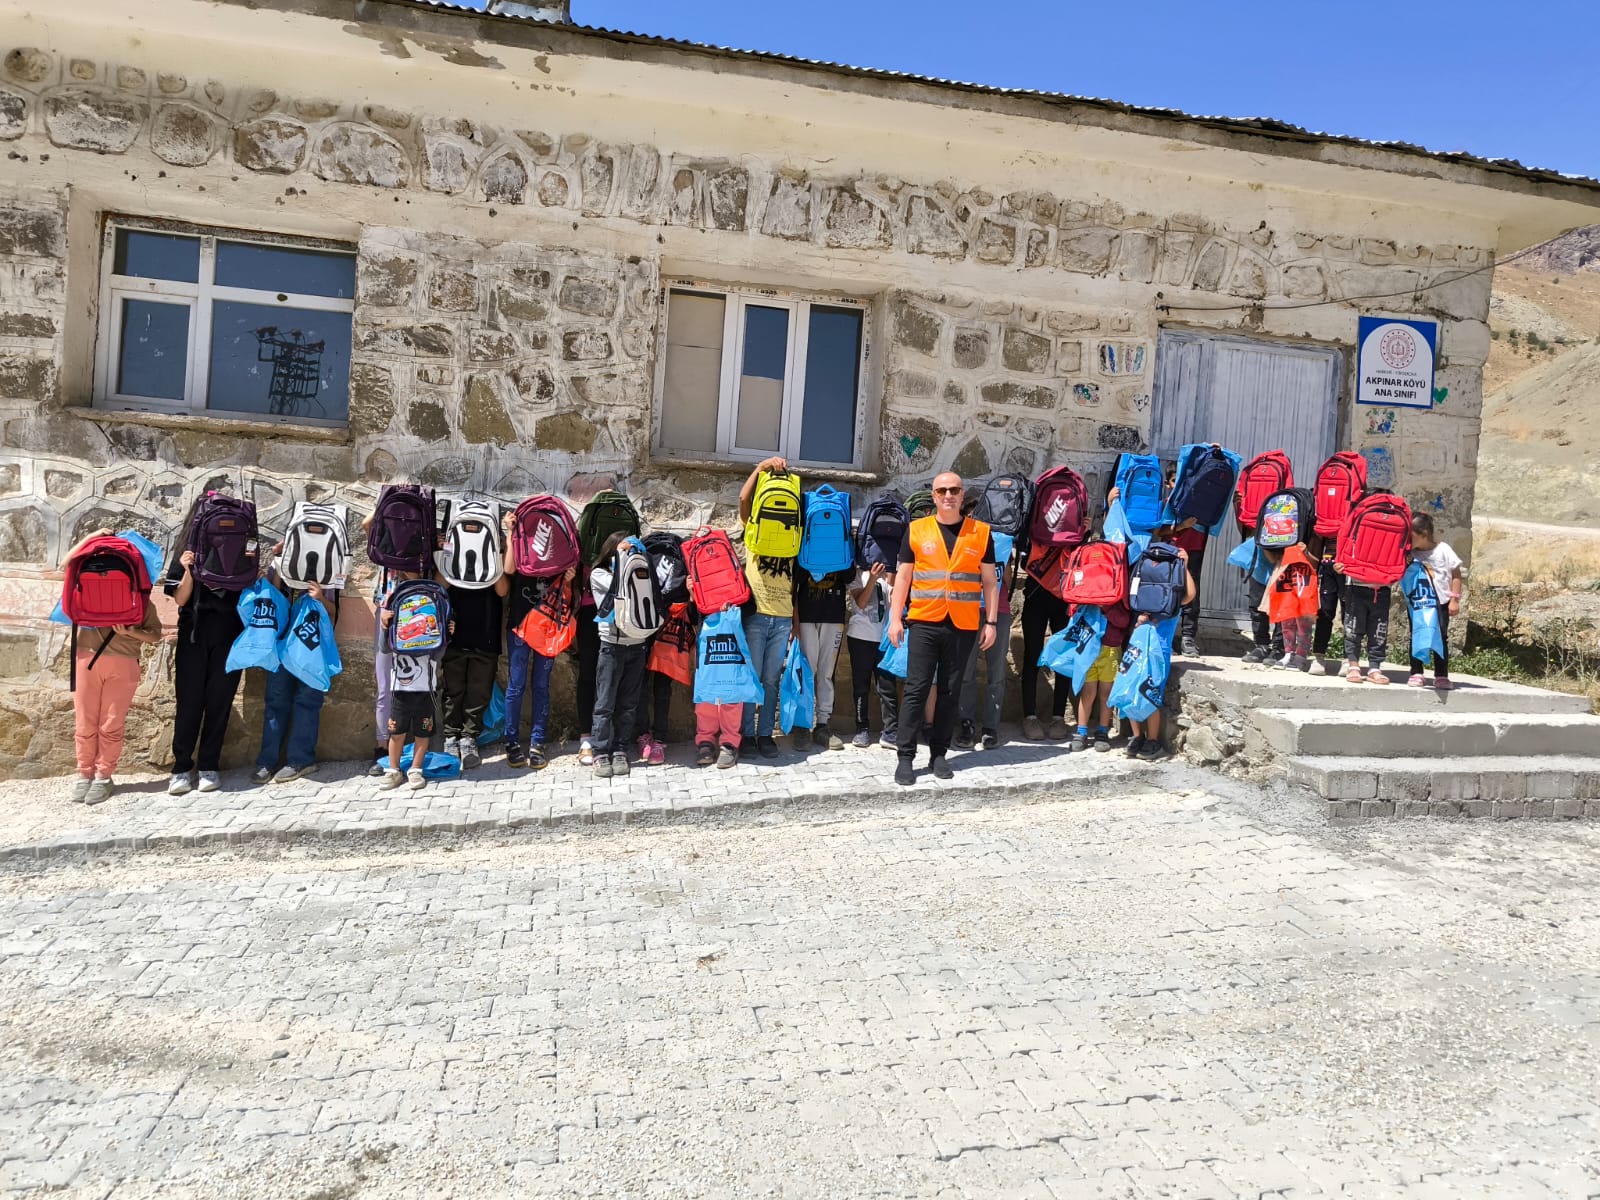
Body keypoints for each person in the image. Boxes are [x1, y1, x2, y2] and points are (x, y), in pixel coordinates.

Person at [885, 471, 1000, 785]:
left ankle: (939, 754)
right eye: (942, 491)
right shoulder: (916, 529)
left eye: (954, 490)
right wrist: (895, 619)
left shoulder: (981, 533)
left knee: (950, 692)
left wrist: (991, 622)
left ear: (962, 495)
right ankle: (905, 756)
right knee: (916, 689)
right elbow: (903, 577)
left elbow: (990, 582)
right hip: (924, 620)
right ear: (934, 496)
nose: (948, 495)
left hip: (962, 624)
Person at [66, 529, 163, 805]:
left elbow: (155, 635)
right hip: (88, 660)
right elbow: (68, 564)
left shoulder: (140, 600)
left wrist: (131, 632)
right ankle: (85, 774)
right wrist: (94, 536)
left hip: (119, 662)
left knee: (110, 723)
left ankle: (103, 776)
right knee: (85, 722)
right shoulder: (83, 589)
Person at [164, 509, 248, 796]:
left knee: (219, 702)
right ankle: (181, 768)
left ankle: (209, 766)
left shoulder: (239, 554)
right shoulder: (188, 551)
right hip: (194, 634)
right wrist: (188, 570)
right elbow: (181, 599)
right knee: (189, 702)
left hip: (229, 634)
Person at [252, 545, 339, 785]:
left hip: (310, 649)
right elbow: (274, 598)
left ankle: (301, 760)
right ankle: (267, 761)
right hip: (280, 647)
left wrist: (320, 597)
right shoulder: (280, 563)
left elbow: (334, 613)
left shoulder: (324, 566)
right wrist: (278, 563)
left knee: (307, 701)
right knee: (275, 701)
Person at [738, 457, 797, 760]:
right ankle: (747, 735)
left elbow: (796, 582)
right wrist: (760, 468)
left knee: (771, 679)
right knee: (753, 676)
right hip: (757, 615)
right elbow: (743, 499)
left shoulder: (794, 533)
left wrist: (795, 621)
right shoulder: (753, 527)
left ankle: (765, 735)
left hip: (783, 616)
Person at [502, 545, 574, 771]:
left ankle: (537, 742)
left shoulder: (559, 545)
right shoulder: (522, 540)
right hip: (520, 623)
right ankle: (511, 742)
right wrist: (510, 535)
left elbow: (566, 587)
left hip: (547, 626)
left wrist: (569, 579)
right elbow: (508, 569)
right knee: (516, 685)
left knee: (541, 685)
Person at [589, 532, 652, 778]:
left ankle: (620, 749)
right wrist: (621, 556)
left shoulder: (640, 571)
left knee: (628, 704)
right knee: (605, 703)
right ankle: (600, 751)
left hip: (637, 644)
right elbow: (621, 588)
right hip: (611, 646)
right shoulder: (599, 574)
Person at [1125, 550, 1198, 760]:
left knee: (1151, 694)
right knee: (1133, 691)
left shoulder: (1170, 601)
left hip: (1156, 652)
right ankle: (1138, 736)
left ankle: (1152, 740)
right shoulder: (1144, 601)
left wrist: (1184, 566)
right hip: (1139, 648)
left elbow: (1190, 595)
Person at [441, 570, 509, 770]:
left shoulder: (493, 553)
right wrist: (448, 559)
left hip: (486, 630)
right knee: (453, 689)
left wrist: (494, 559)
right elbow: (439, 584)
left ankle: (469, 737)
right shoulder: (450, 550)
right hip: (454, 630)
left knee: (479, 690)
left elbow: (503, 590)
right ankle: (450, 737)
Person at [794, 567, 851, 752]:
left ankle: (822, 724)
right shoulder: (803, 545)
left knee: (826, 674)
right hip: (807, 614)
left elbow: (849, 575)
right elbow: (796, 577)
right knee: (806, 673)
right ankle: (802, 725)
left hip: (833, 614)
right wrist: (795, 620)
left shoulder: (844, 547)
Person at [846, 561, 899, 748]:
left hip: (884, 638)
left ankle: (890, 731)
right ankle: (862, 728)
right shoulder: (856, 574)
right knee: (861, 685)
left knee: (887, 686)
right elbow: (861, 603)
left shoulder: (889, 573)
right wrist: (872, 579)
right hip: (860, 637)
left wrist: (890, 576)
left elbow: (894, 600)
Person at [1408, 513, 1462, 690]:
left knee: (1441, 636)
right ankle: (1416, 672)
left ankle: (1441, 675)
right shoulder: (1411, 553)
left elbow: (1456, 574)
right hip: (1419, 603)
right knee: (1417, 634)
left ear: (1424, 534)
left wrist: (1454, 600)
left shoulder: (1443, 549)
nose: (1407, 539)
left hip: (1441, 603)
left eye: (1411, 535)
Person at [1072, 590, 1131, 753]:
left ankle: (1103, 731)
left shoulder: (1119, 595)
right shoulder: (1087, 592)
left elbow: (1123, 621)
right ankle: (1081, 731)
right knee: (1087, 693)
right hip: (1087, 648)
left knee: (1106, 693)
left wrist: (1106, 607)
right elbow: (1073, 613)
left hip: (1110, 649)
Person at [1018, 575, 1072, 741]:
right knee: (1032, 656)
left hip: (1064, 597)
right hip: (1036, 594)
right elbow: (1024, 563)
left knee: (1063, 659)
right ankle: (1029, 716)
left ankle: (1059, 717)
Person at [1334, 544, 1395, 685]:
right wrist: (1339, 566)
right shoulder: (1355, 535)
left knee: (1378, 631)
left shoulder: (1388, 534)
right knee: (1353, 630)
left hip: (1382, 588)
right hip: (1356, 587)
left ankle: (1374, 668)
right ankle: (1353, 665)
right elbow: (1343, 554)